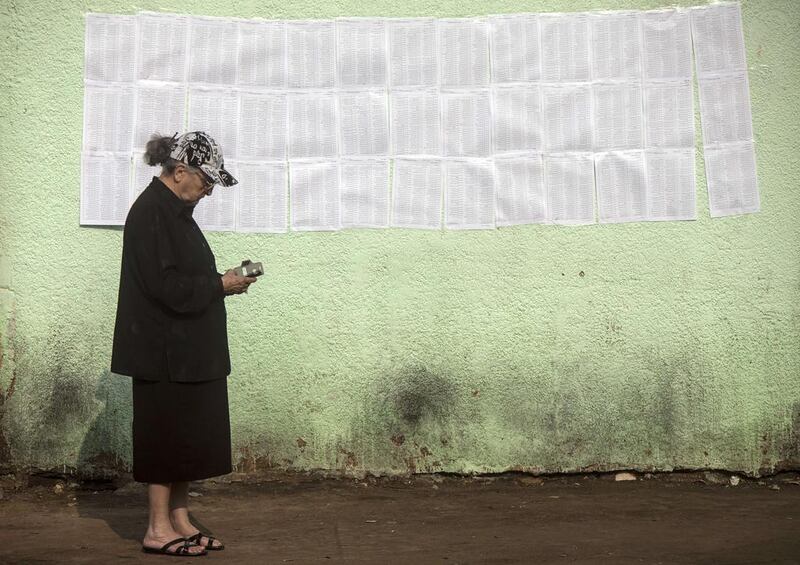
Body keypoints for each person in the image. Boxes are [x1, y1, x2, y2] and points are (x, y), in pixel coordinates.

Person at [111, 131, 257, 557]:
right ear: (179, 172)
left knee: (188, 436)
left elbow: (180, 277)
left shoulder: (176, 211)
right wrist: (220, 284)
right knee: (165, 437)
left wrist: (220, 283)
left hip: (187, 351)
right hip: (163, 353)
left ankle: (179, 518)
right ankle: (157, 527)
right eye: (206, 181)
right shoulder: (151, 212)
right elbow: (165, 286)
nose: (209, 190)